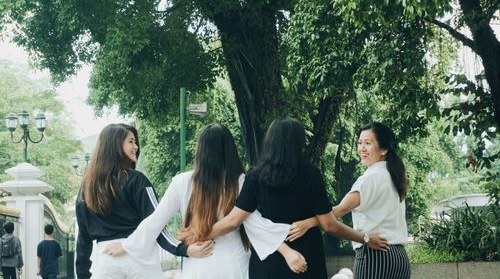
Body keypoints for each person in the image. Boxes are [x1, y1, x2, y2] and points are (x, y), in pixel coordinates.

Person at [183, 118, 388, 279]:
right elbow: (330, 225)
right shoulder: (311, 175)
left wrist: (198, 234)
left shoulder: (255, 176)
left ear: (270, 141)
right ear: (298, 143)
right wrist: (364, 238)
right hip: (307, 260)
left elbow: (233, 220)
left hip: (267, 264)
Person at [103, 124, 307, 278]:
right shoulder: (240, 181)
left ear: (201, 150)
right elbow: (255, 223)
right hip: (235, 262)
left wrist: (127, 246)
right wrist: (287, 250)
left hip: (199, 261)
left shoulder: (182, 181)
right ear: (229, 149)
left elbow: (156, 220)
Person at [75, 123, 212, 279]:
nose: (136, 147)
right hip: (139, 257)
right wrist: (182, 249)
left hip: (106, 259)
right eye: (131, 141)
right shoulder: (137, 180)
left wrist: (82, 275)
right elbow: (156, 223)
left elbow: (83, 239)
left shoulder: (87, 188)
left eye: (135, 142)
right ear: (115, 146)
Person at [290, 122, 411, 279]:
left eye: (368, 143)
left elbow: (340, 209)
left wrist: (308, 223)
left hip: (375, 255)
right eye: (360, 143)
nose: (362, 148)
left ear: (384, 149)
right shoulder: (394, 177)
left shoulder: (369, 179)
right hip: (399, 258)